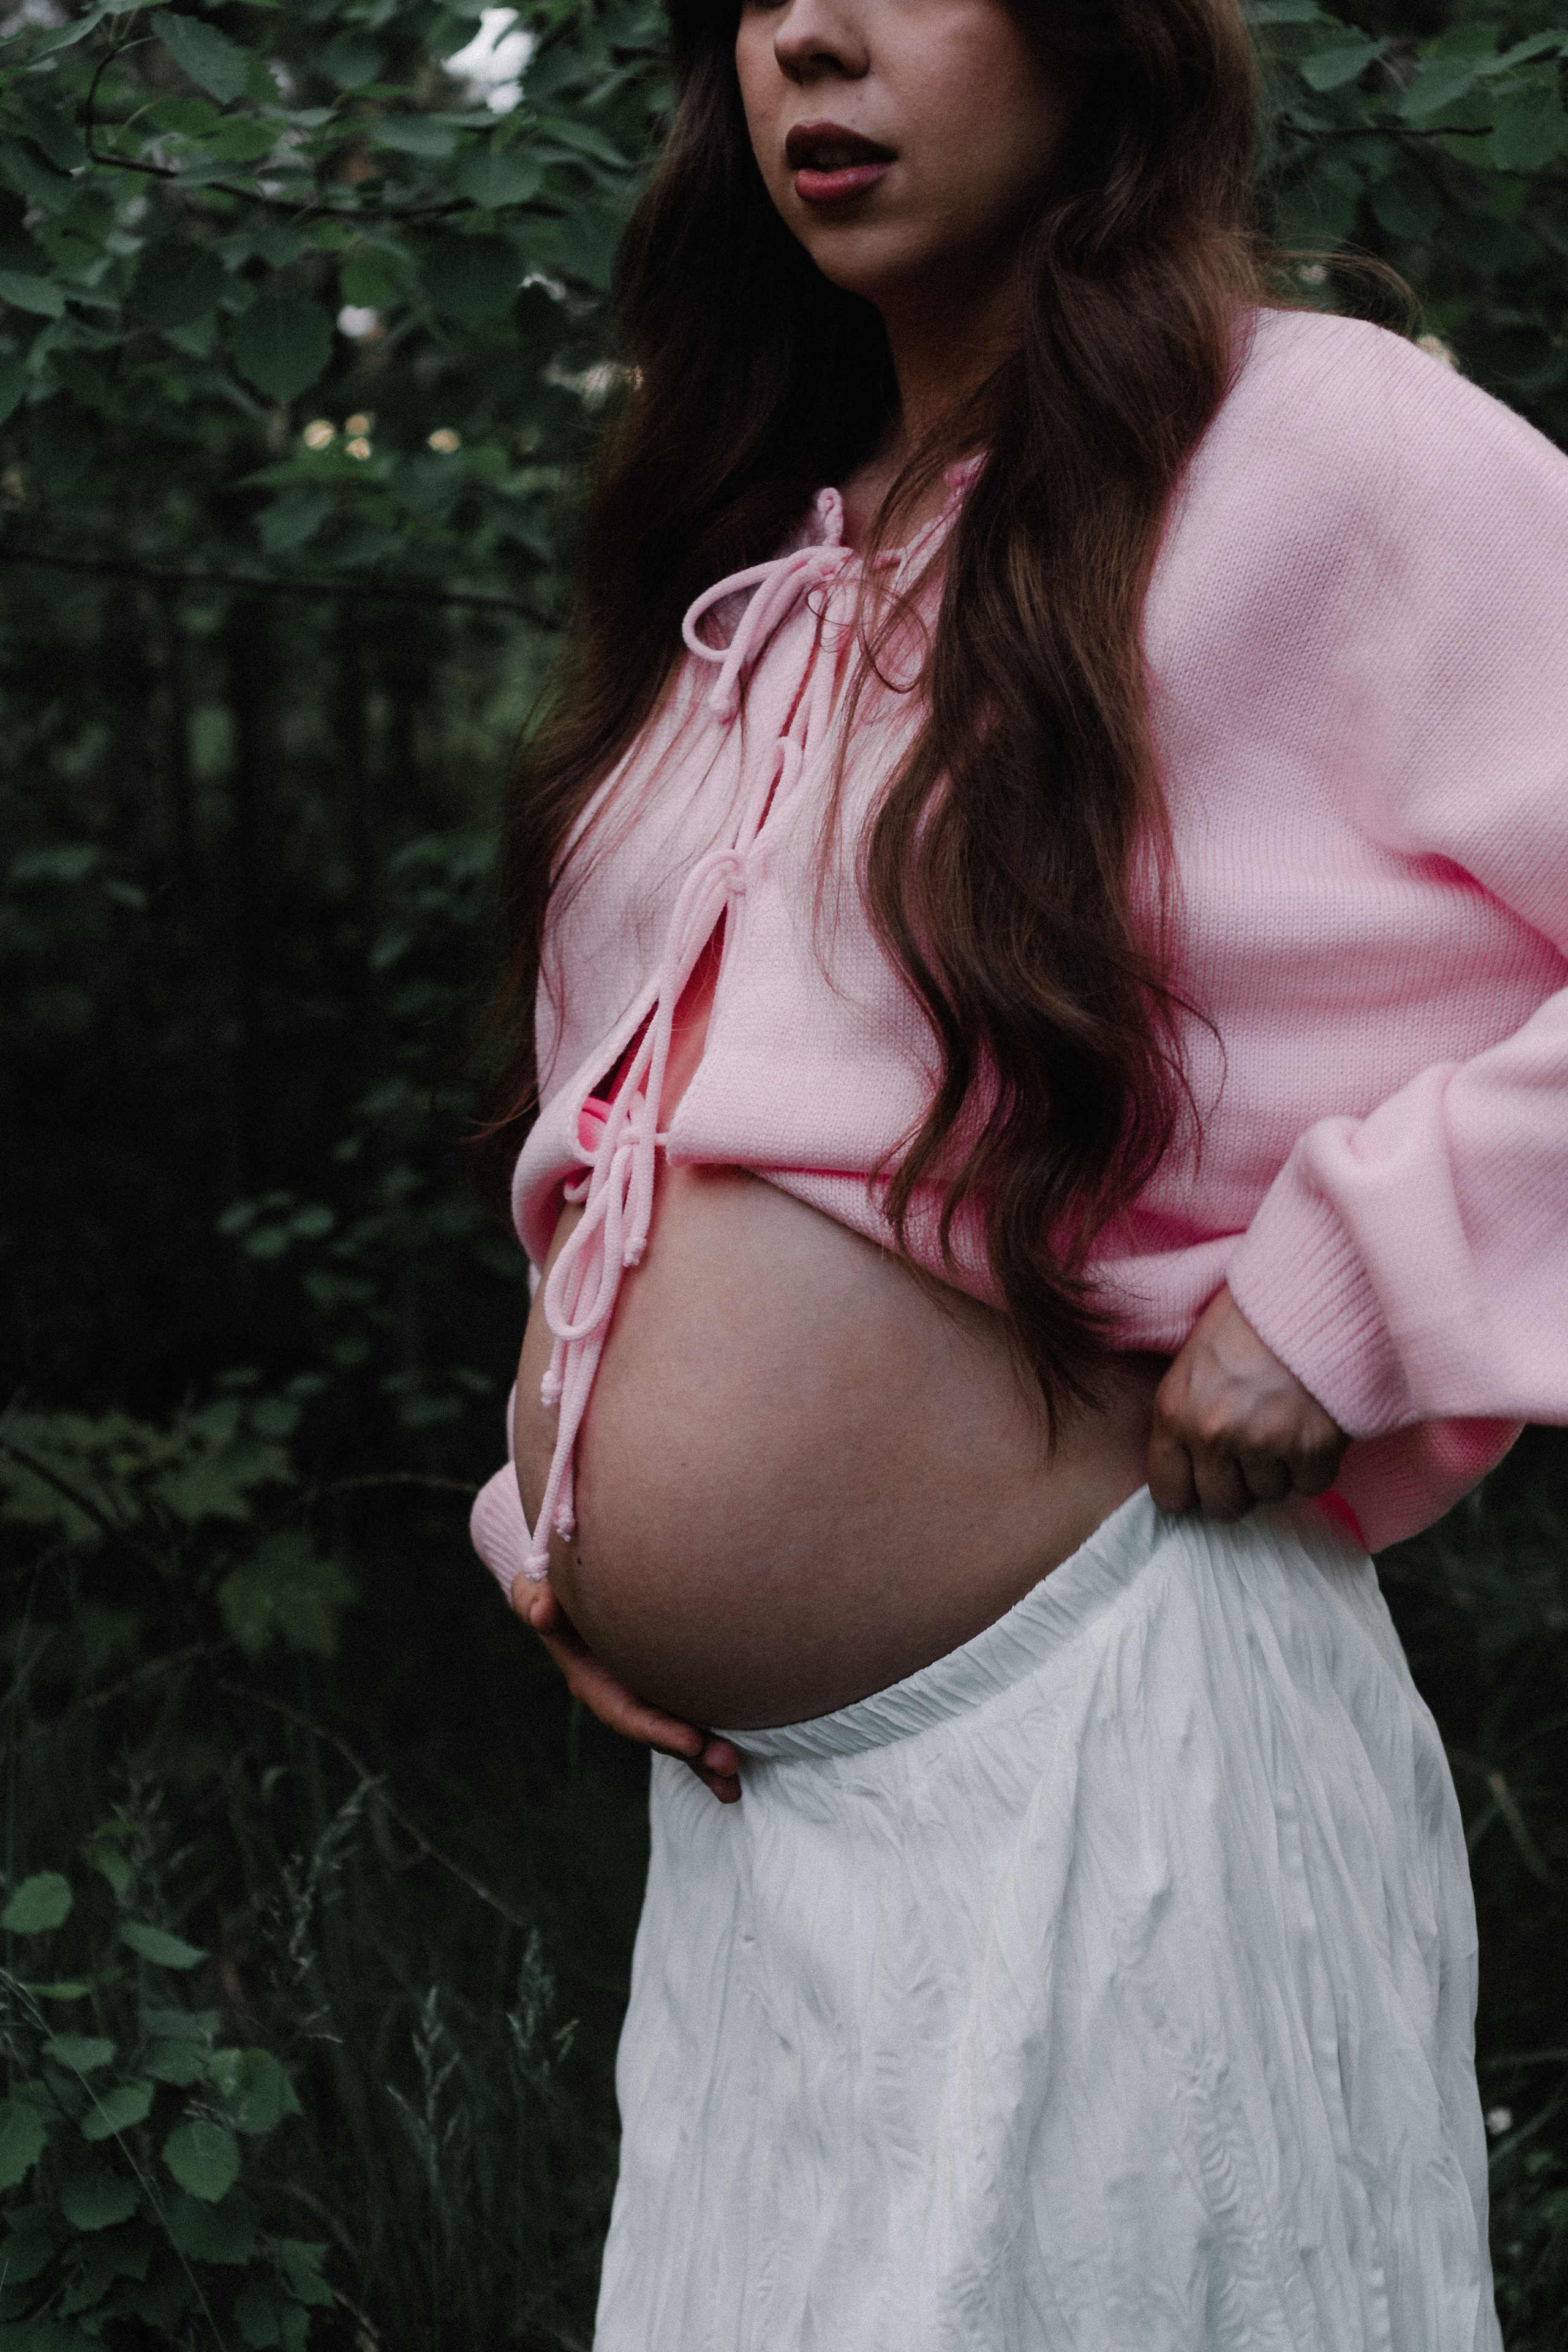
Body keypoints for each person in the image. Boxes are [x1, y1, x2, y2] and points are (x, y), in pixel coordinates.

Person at [468, 0, 1568, 2338]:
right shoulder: (767, 534)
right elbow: (644, 1132)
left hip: (1108, 1760)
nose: (809, 35)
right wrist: (555, 1525)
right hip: (763, 1843)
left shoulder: (1321, 445)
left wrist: (1363, 1285)